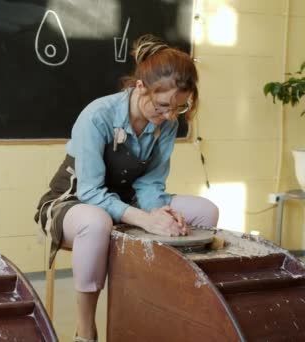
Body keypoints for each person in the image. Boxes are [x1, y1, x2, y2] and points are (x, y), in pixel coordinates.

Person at [34, 35, 219, 342]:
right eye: (162, 106)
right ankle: (86, 331)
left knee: (204, 212)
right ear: (140, 87)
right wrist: (146, 220)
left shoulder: (168, 122)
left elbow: (150, 183)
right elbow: (91, 192)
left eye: (179, 107)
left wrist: (158, 211)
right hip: (73, 200)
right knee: (96, 222)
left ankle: (164, 308)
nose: (170, 116)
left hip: (128, 199)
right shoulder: (98, 115)